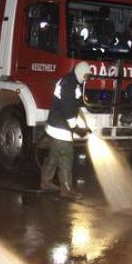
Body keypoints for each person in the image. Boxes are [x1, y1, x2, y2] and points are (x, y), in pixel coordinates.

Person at [41, 61, 91, 199]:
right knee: (66, 157)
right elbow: (68, 109)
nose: (86, 79)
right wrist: (76, 128)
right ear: (80, 72)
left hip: (55, 126)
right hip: (60, 128)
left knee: (54, 155)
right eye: (86, 75)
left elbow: (75, 106)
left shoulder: (70, 81)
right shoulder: (70, 85)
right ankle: (66, 189)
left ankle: (46, 181)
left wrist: (83, 124)